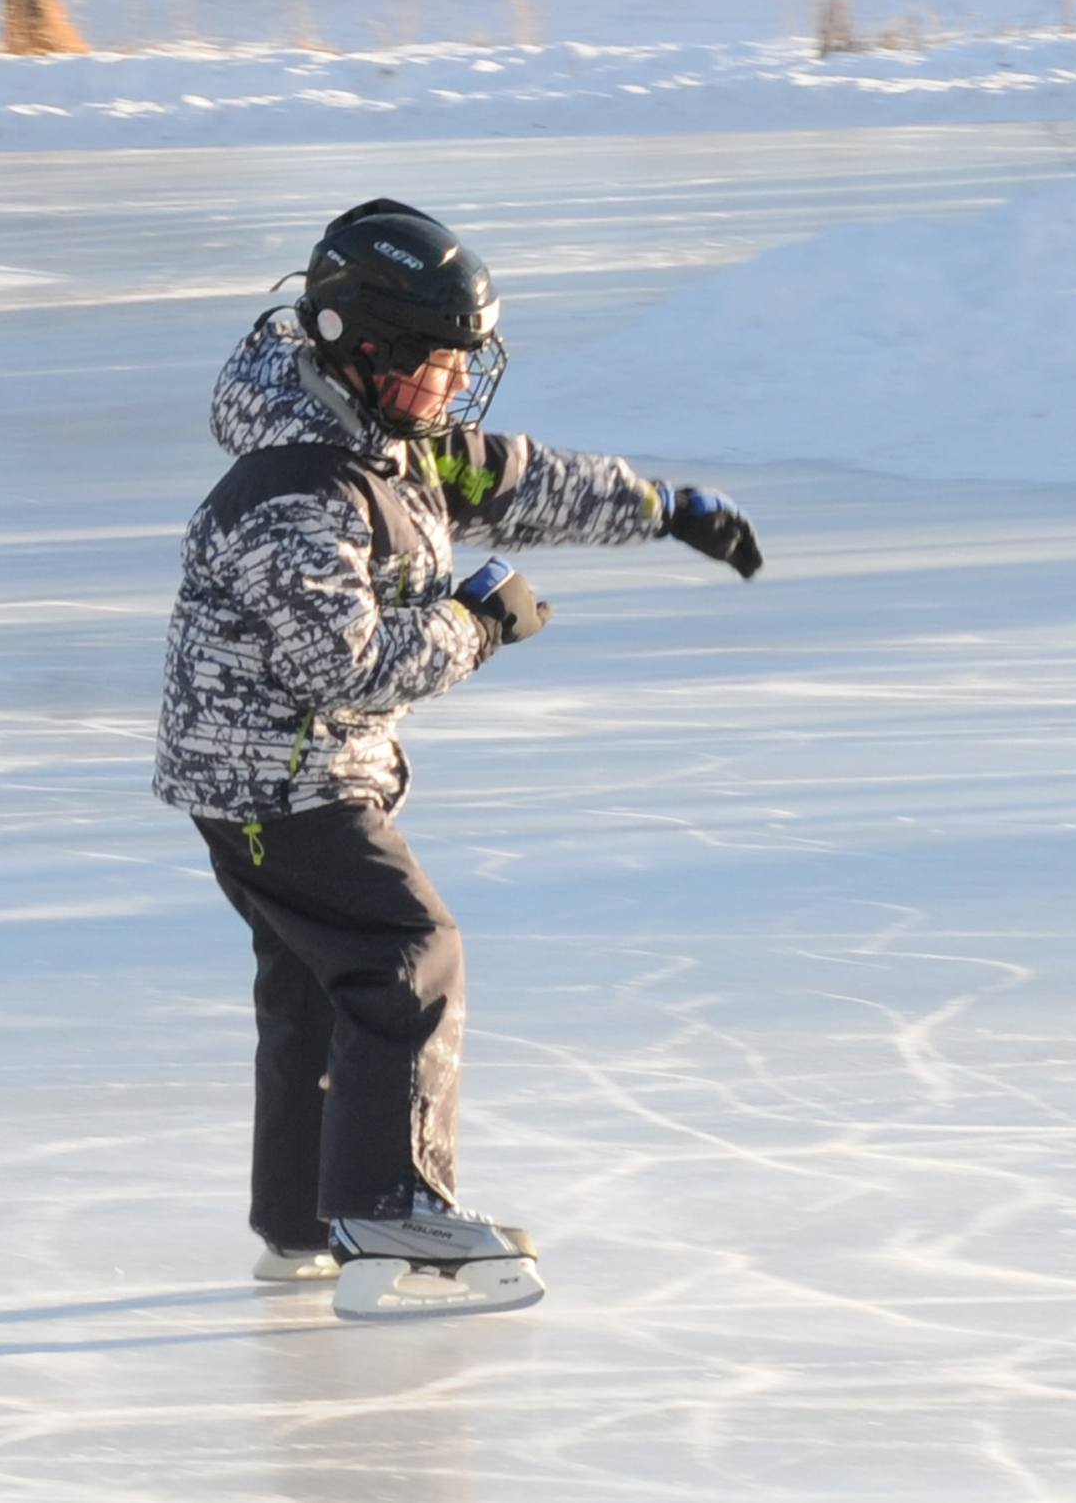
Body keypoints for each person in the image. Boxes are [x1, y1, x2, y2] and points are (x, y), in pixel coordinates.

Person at [153, 199, 762, 1320]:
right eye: (431, 362)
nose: (450, 387)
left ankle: (305, 1222)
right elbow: (346, 665)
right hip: (278, 784)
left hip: (270, 778)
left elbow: (517, 481)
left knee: (317, 985)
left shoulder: (389, 446)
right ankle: (390, 1206)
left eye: (457, 364)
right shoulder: (301, 490)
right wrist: (479, 623)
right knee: (404, 949)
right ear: (357, 348)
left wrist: (662, 510)